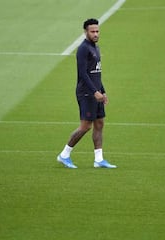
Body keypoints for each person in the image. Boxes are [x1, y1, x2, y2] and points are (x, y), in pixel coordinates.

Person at [57, 18, 116, 169]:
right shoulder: (83, 48)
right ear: (86, 32)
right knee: (85, 126)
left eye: (97, 31)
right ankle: (64, 155)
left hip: (96, 92)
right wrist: (94, 92)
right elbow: (83, 73)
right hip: (86, 93)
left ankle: (99, 160)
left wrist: (103, 91)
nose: (96, 34)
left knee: (99, 123)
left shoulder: (96, 47)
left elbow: (96, 73)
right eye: (92, 31)